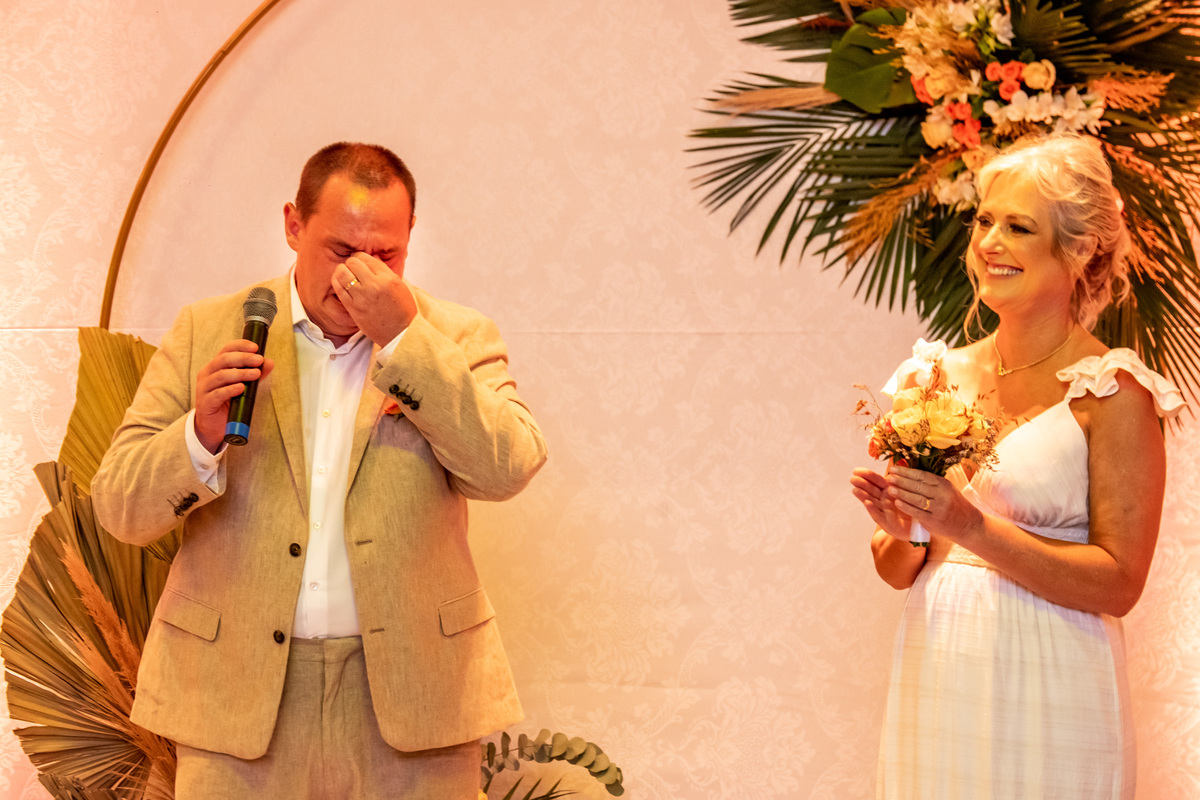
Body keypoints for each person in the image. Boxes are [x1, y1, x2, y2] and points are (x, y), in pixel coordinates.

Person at [91, 142, 548, 799]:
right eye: (341, 249)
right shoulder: (206, 330)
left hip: (419, 698)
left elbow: (508, 467)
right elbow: (119, 506)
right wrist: (200, 435)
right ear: (293, 225)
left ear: (410, 238)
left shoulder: (455, 336)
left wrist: (407, 344)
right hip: (233, 698)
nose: (359, 274)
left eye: (385, 255)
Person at [850, 133, 1184, 799]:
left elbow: (1120, 585)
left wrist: (970, 526)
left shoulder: (1113, 391)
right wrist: (903, 529)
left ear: (1081, 250)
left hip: (1054, 682)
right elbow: (897, 570)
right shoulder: (932, 374)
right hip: (939, 675)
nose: (989, 243)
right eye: (984, 221)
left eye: (1018, 227)